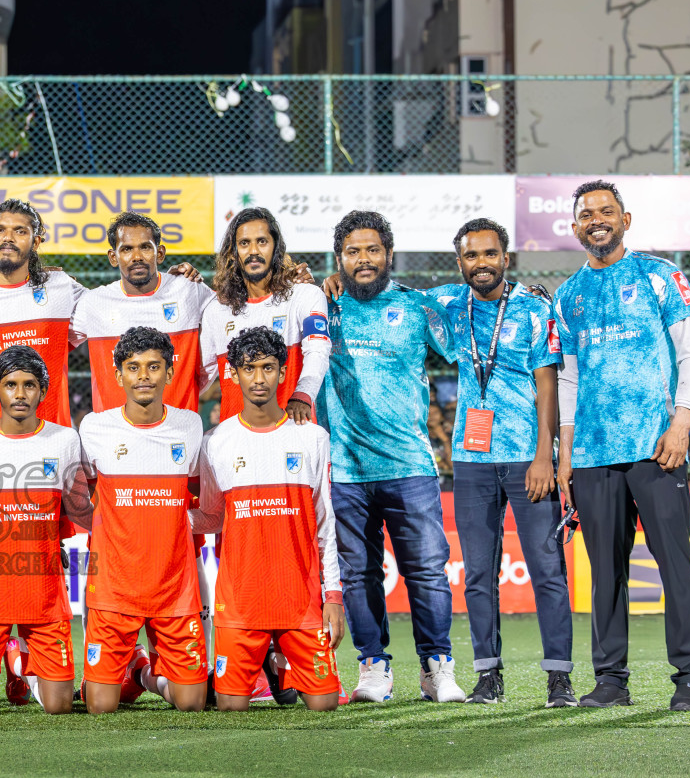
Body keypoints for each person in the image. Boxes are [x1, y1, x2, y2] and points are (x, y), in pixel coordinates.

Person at [554, 180, 690, 710]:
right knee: (606, 573)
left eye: (606, 211)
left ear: (625, 219)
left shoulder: (661, 276)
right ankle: (611, 681)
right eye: (586, 214)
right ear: (575, 228)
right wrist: (565, 455)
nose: (596, 220)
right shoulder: (567, 295)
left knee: (675, 565)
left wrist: (681, 423)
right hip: (594, 456)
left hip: (656, 446)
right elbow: (568, 381)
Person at [425, 218, 575, 707]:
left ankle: (559, 679)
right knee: (477, 575)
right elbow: (393, 294)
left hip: (527, 459)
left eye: (490, 254)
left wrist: (543, 456)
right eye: (471, 255)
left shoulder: (534, 309)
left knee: (547, 569)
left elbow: (547, 387)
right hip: (471, 460)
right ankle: (488, 676)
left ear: (505, 258)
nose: (481, 263)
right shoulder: (449, 301)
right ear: (460, 262)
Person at [320, 209, 464, 704]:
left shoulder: (419, 308)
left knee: (426, 570)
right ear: (338, 258)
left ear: (389, 255)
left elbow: (467, 340)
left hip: (410, 466)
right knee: (358, 574)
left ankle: (437, 666)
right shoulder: (322, 308)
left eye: (372, 250)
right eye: (354, 251)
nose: (364, 260)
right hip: (343, 467)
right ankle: (373, 668)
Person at [194, 327, 343, 711]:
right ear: (232, 373)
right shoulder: (216, 441)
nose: (258, 379)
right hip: (240, 603)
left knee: (324, 705)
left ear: (283, 372)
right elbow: (212, 517)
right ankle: (270, 663)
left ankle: (279, 662)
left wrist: (333, 597)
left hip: (301, 602)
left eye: (268, 367)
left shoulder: (312, 437)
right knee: (230, 707)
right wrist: (160, 514)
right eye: (248, 369)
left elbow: (325, 525)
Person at [0, 347, 89, 714]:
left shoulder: (65, 441)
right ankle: (14, 655)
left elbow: (78, 509)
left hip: (44, 595)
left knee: (60, 707)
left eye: (29, 385)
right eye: (10, 385)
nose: (20, 394)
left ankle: (19, 660)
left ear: (43, 391)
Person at [78, 326, 209, 714]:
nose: (144, 376)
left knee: (192, 704)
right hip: (115, 588)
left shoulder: (190, 426)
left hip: (174, 588)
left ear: (170, 372)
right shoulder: (94, 428)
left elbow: (203, 500)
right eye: (133, 368)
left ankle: (142, 674)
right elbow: (79, 496)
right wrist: (110, 531)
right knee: (100, 706)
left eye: (154, 366)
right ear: (118, 376)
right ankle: (134, 668)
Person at [0, 198, 87, 432]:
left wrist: (167, 284)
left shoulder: (61, 289)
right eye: (0, 230)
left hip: (48, 440)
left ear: (36, 242)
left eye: (20, 231)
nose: (7, 238)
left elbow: (115, 307)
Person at [71, 210, 215, 412]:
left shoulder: (189, 290)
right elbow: (49, 340)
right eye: (127, 249)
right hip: (114, 435)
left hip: (178, 430)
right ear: (113, 257)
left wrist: (193, 385)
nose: (137, 256)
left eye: (146, 247)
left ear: (160, 253)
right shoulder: (93, 302)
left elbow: (228, 320)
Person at [199, 206, 330, 423]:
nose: (253, 251)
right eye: (244, 243)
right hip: (235, 441)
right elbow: (201, 375)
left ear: (275, 247)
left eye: (262, 241)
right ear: (233, 253)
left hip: (294, 431)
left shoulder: (304, 295)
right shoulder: (217, 309)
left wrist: (303, 395)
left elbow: (318, 350)